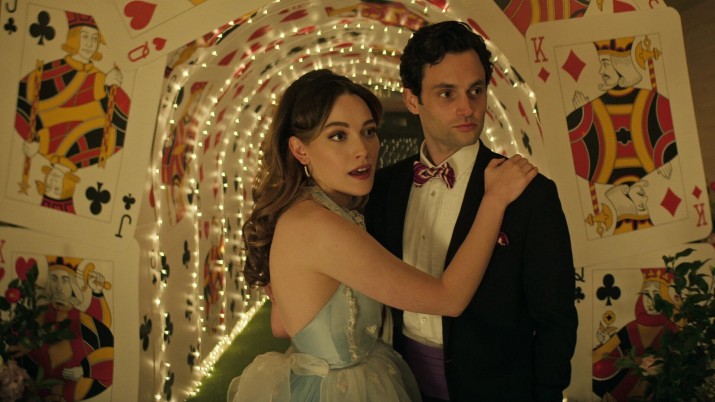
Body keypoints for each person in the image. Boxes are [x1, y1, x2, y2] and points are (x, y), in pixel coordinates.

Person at [227, 69, 537, 402]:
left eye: (369, 131)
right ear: (300, 150)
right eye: (338, 136)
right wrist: (494, 200)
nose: (362, 149)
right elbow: (449, 299)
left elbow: (281, 324)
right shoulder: (319, 225)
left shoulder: (312, 209)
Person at [365, 21, 578, 401]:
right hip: (400, 385)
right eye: (447, 93)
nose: (467, 108)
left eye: (476, 91)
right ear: (413, 100)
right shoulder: (382, 189)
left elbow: (556, 320)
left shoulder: (531, 194)